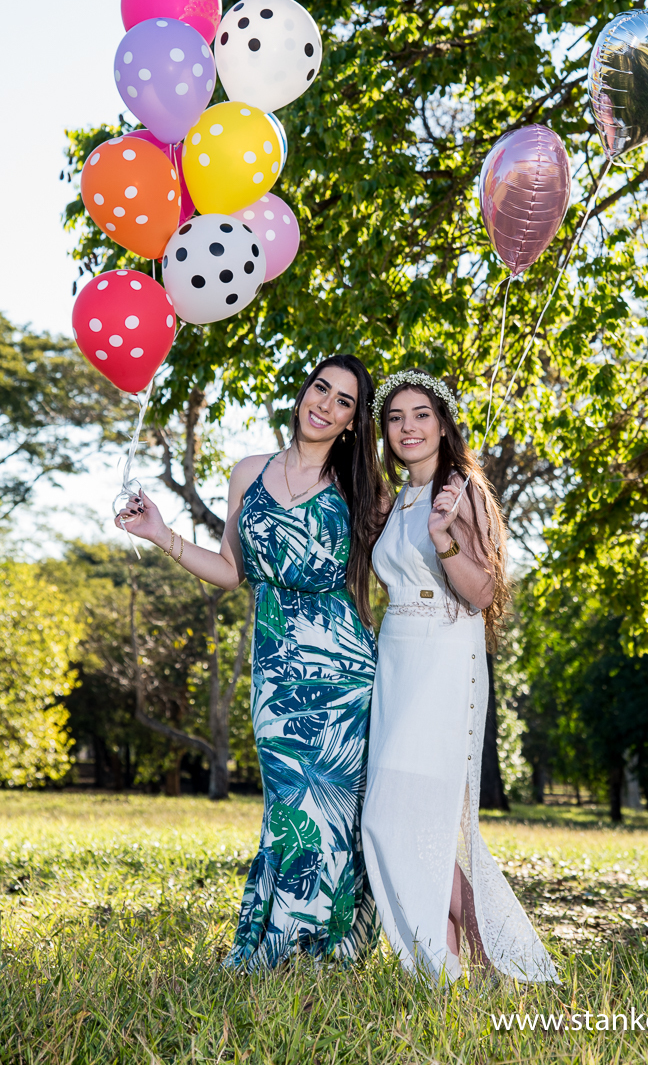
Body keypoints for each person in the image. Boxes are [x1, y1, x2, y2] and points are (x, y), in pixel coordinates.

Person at [116, 355, 387, 970]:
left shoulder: (362, 488)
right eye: (321, 388)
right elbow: (229, 571)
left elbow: (401, 561)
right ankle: (283, 942)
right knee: (288, 803)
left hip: (344, 672)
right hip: (275, 667)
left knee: (332, 808)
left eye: (344, 401)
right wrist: (161, 534)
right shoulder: (249, 472)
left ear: (352, 421)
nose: (326, 405)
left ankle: (322, 948)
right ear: (304, 392)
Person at [361, 369, 557, 985]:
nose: (408, 427)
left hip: (443, 656)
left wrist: (444, 537)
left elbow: (483, 593)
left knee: (398, 816)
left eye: (421, 415)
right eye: (395, 418)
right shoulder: (399, 498)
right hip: (396, 656)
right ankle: (447, 970)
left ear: (443, 425)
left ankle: (491, 956)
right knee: (410, 823)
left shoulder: (460, 491)